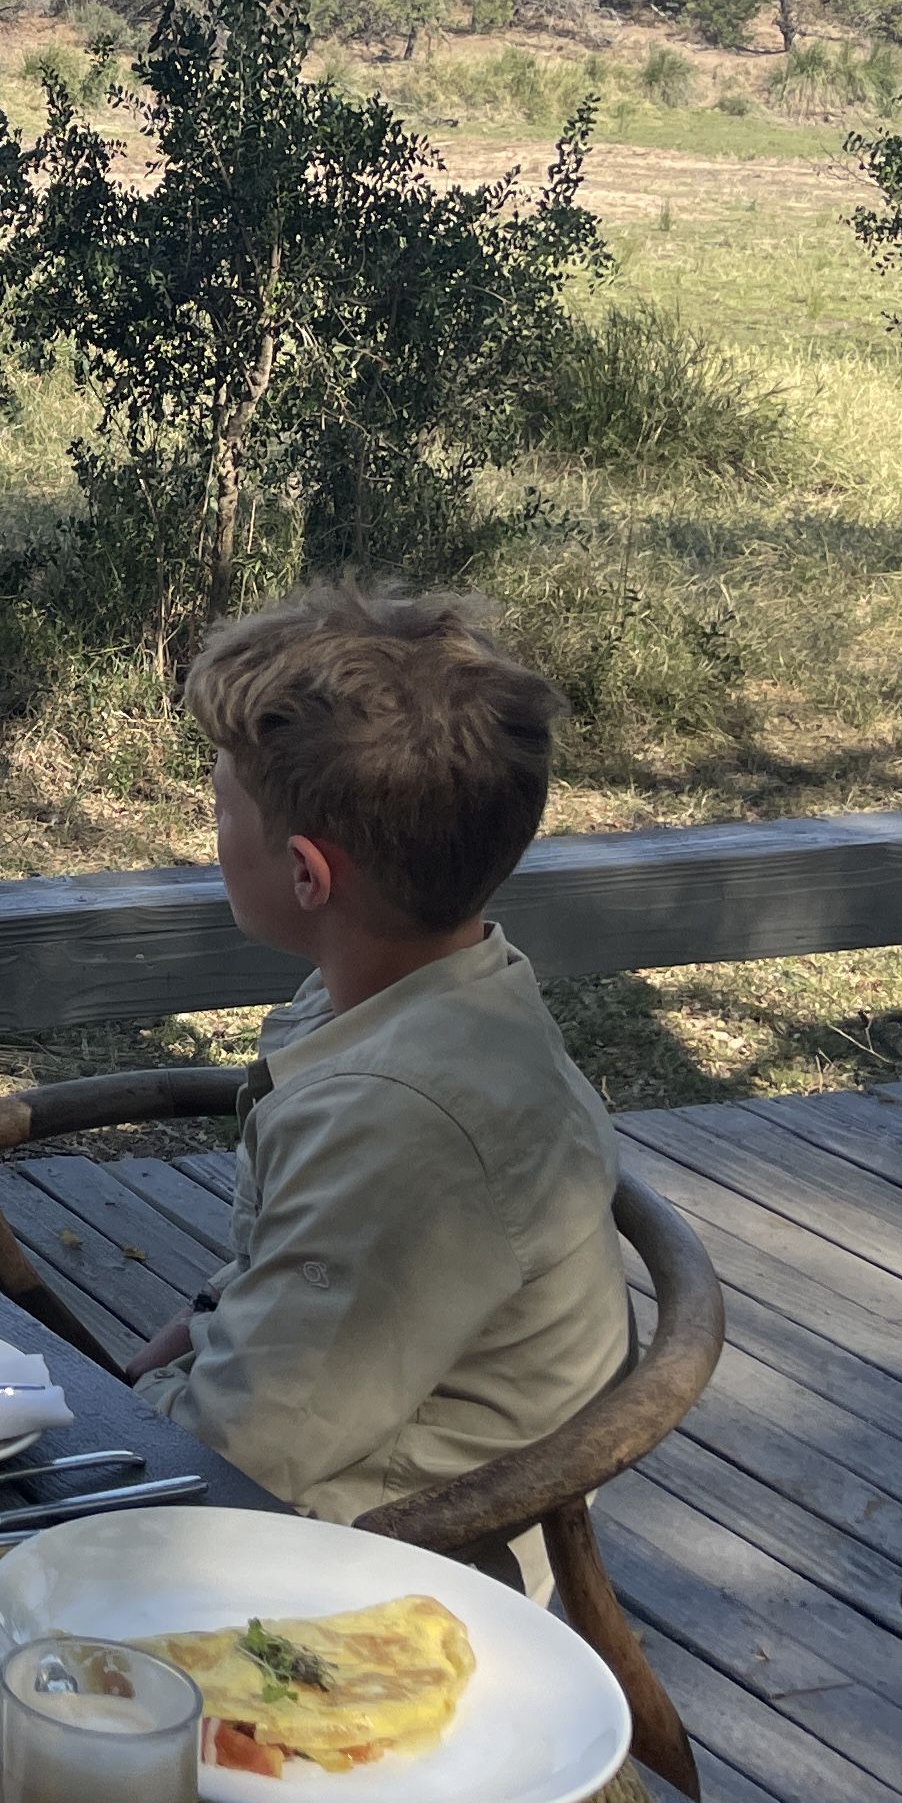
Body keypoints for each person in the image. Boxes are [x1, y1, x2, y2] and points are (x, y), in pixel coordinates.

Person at [124, 579, 633, 1531]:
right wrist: (190, 1331)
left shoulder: (399, 1118)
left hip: (372, 1573)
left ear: (307, 873)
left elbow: (242, 1452)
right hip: (343, 1476)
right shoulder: (442, 994)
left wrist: (81, 1420)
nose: (213, 839)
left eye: (222, 812)